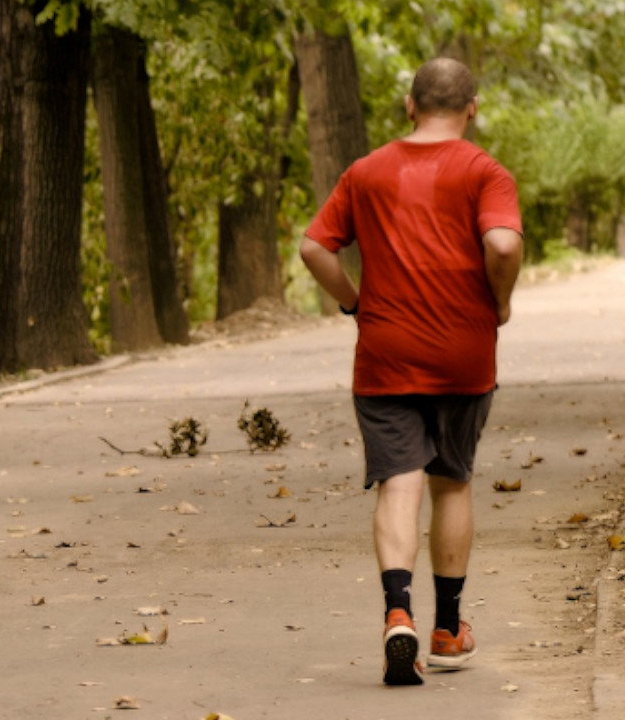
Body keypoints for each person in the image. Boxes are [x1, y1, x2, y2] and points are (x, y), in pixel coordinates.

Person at [299, 57, 524, 686]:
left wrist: (353, 301)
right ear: (472, 108)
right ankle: (448, 630)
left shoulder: (366, 171)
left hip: (386, 351)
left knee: (399, 484)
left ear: (408, 105)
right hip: (463, 351)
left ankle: (398, 613)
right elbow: (503, 244)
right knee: (451, 482)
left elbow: (315, 246)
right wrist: (499, 301)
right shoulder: (485, 172)